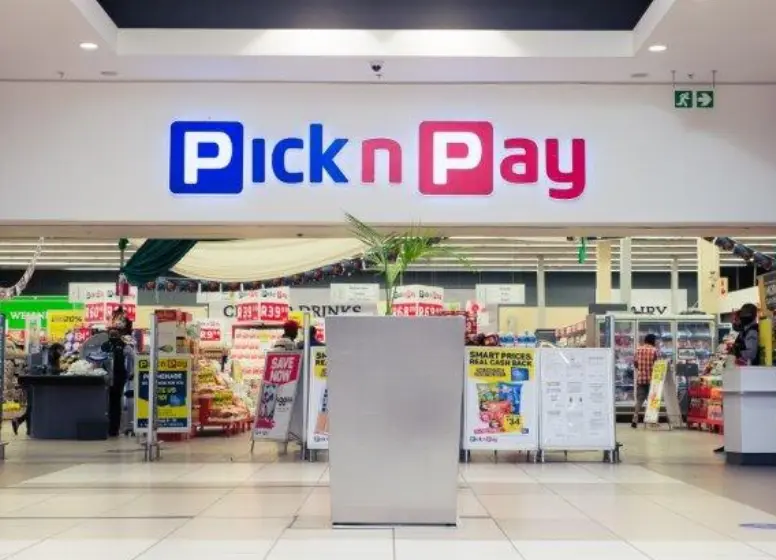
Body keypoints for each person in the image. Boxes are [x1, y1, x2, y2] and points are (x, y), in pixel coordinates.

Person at [714, 303, 760, 453]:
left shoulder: (751, 331)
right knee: (730, 408)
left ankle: (733, 442)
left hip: (746, 376)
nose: (737, 320)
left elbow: (751, 353)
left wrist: (738, 353)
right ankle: (730, 441)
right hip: (739, 375)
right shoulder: (746, 330)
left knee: (735, 410)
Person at [12, 343, 65, 436]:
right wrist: (59, 371)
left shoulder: (52, 357)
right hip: (36, 385)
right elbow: (49, 369)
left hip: (36, 384)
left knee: (32, 406)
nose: (61, 353)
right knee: (33, 406)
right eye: (60, 350)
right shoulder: (49, 357)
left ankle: (24, 425)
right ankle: (22, 423)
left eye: (62, 351)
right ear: (55, 349)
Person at [101, 329, 130, 437]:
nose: (113, 336)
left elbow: (99, 359)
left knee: (112, 403)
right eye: (112, 334)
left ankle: (112, 429)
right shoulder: (123, 346)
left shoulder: (120, 346)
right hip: (114, 377)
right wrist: (129, 373)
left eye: (114, 334)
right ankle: (113, 429)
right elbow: (132, 359)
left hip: (113, 377)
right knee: (115, 403)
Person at [632, 333, 658, 429]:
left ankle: (635, 419)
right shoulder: (654, 350)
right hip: (652, 379)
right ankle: (652, 421)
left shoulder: (638, 350)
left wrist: (641, 368)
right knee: (652, 400)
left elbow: (635, 364)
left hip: (641, 379)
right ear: (652, 341)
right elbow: (657, 364)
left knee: (639, 400)